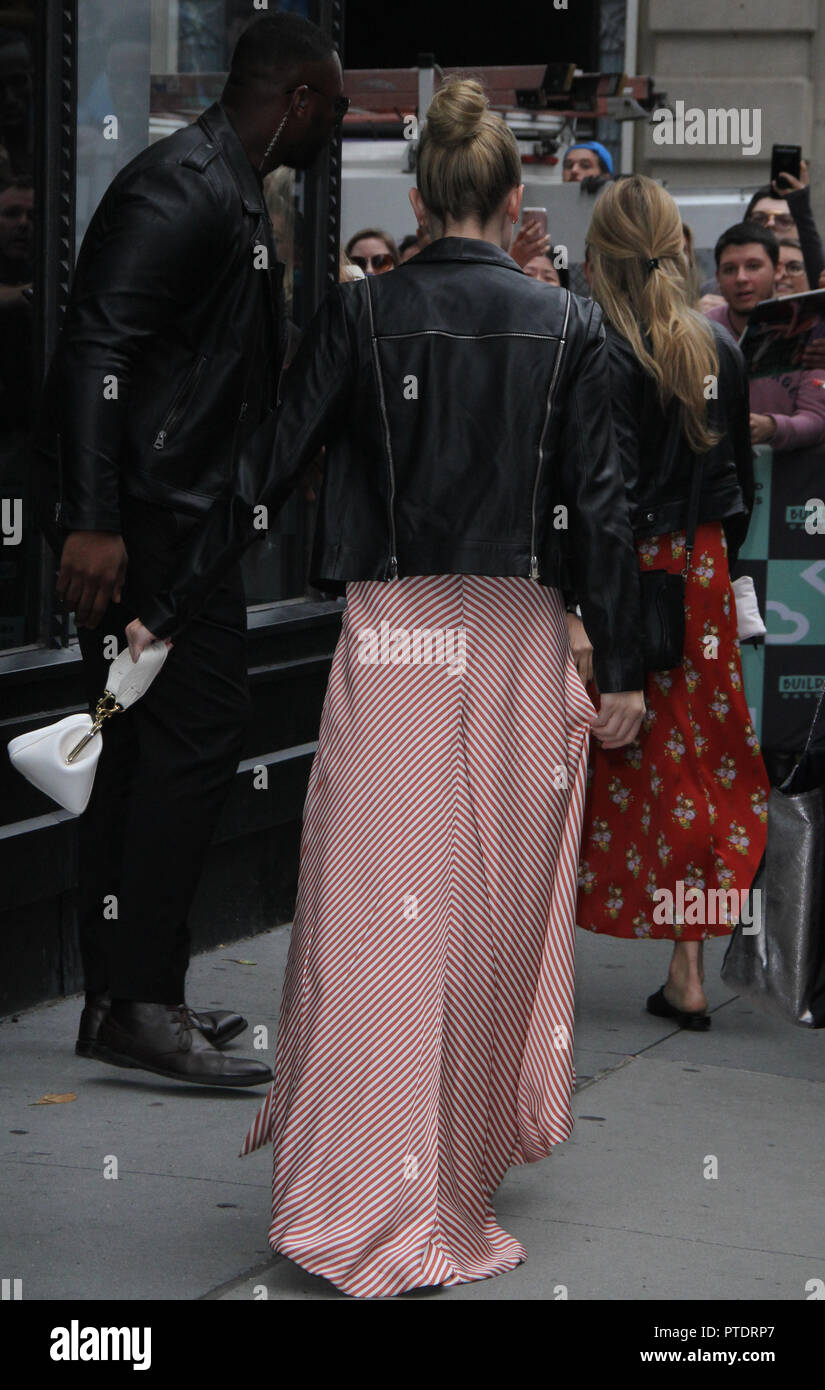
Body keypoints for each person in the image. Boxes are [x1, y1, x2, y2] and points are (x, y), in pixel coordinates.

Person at [125, 76, 645, 1297]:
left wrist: (177, 591)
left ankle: (371, 1180)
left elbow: (265, 470)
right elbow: (607, 515)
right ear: (516, 201)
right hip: (517, 635)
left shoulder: (361, 320)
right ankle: (435, 1178)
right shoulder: (568, 330)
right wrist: (619, 662)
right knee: (484, 922)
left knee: (376, 916)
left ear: (416, 200)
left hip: (396, 630)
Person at [35, 12, 345, 1087]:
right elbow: (96, 350)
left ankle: (125, 997)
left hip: (182, 520)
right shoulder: (185, 185)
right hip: (153, 528)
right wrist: (94, 518)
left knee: (147, 753)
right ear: (297, 98)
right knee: (187, 744)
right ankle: (139, 1001)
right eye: (336, 107)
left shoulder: (234, 185)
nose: (339, 129)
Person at [569, 175, 770, 1027]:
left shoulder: (598, 349)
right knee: (703, 764)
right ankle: (687, 967)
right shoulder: (716, 345)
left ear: (598, 255)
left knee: (597, 774)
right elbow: (739, 487)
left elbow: (600, 500)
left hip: (623, 577)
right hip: (702, 571)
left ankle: (522, 959)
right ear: (681, 250)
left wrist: (590, 613)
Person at [706, 222, 825, 450]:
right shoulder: (703, 332)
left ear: (777, 270)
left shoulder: (808, 326)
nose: (741, 278)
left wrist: (771, 427)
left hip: (795, 477)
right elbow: (705, 400)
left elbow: (817, 419)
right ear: (717, 278)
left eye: (753, 266)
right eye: (730, 269)